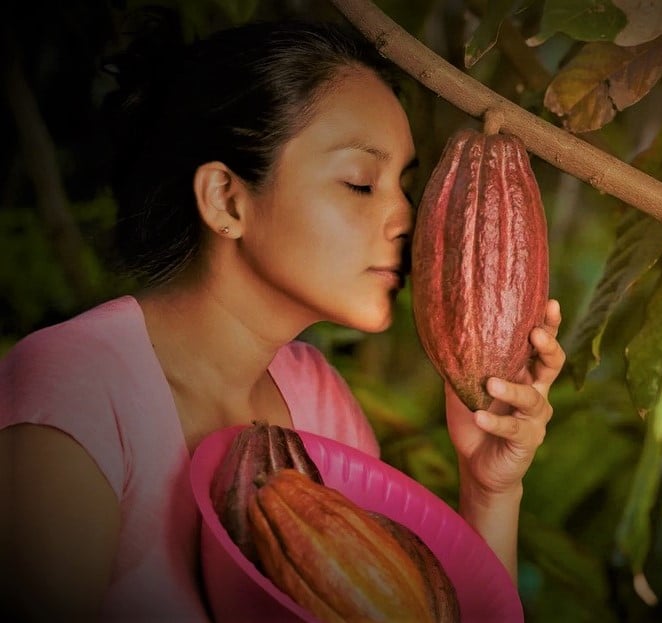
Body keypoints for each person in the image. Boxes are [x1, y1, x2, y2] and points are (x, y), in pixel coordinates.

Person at [0, 13, 565, 622]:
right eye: (359, 182)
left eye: (404, 186)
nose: (407, 218)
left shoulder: (319, 402)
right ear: (226, 199)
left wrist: (489, 489)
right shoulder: (77, 389)